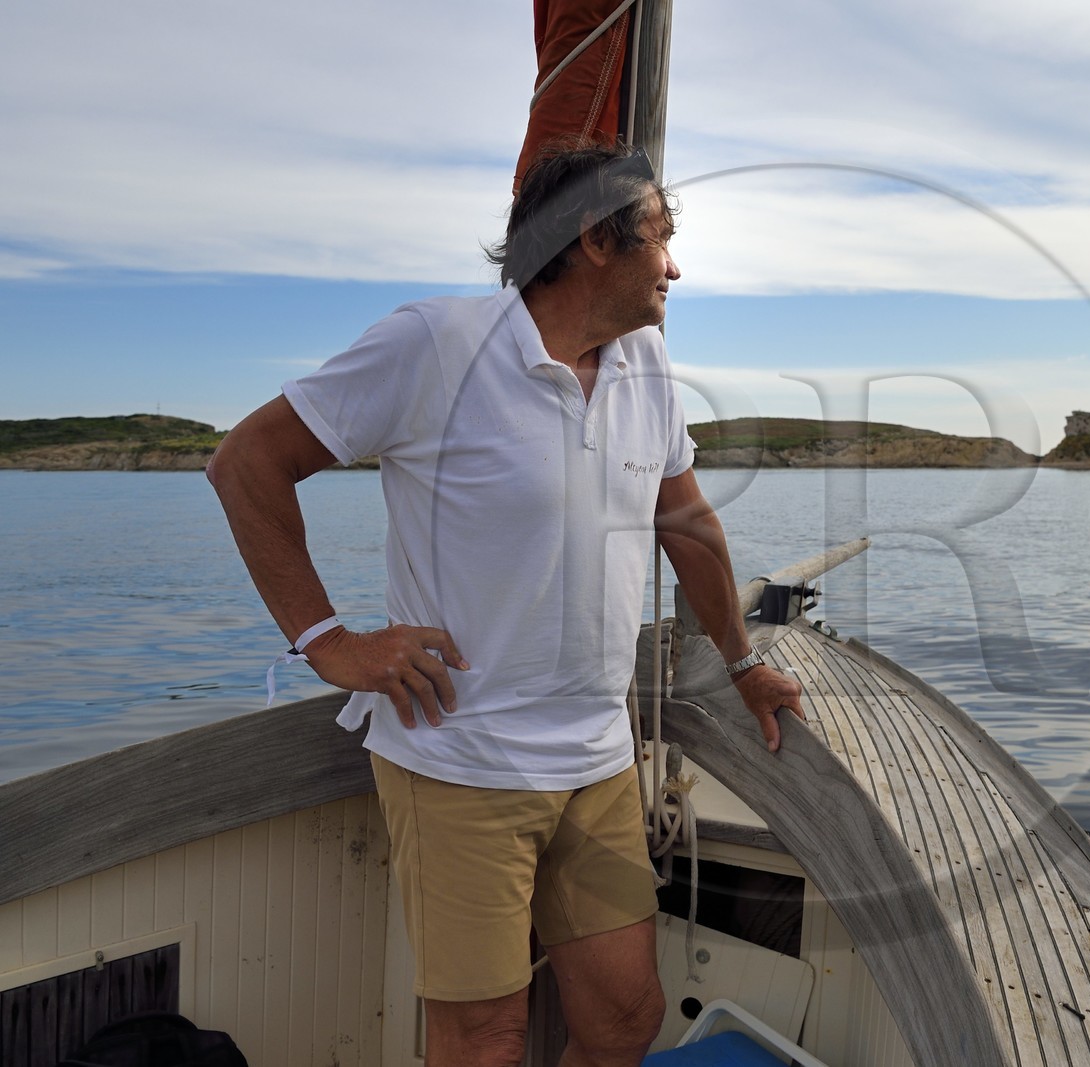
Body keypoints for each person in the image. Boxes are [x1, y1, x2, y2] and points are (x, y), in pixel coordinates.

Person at [208, 140, 804, 1067]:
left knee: (622, 1019)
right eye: (661, 237)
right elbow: (247, 462)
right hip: (461, 760)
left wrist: (741, 661)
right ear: (593, 241)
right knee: (482, 1041)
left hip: (597, 761)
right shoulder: (437, 344)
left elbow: (686, 523)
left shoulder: (647, 366)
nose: (676, 265)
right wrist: (328, 641)